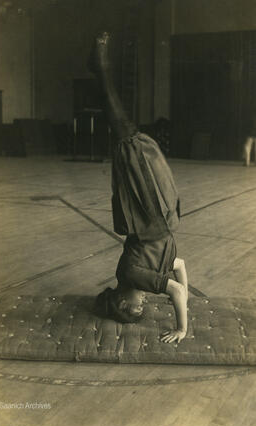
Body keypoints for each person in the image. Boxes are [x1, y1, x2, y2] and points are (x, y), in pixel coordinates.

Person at [91, 32, 188, 344]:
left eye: (135, 309)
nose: (143, 304)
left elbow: (174, 288)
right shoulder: (140, 277)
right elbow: (180, 268)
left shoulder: (133, 277)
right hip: (153, 219)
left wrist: (182, 328)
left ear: (122, 301)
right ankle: (100, 67)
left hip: (147, 216)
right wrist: (188, 295)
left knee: (125, 134)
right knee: (127, 132)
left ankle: (101, 64)